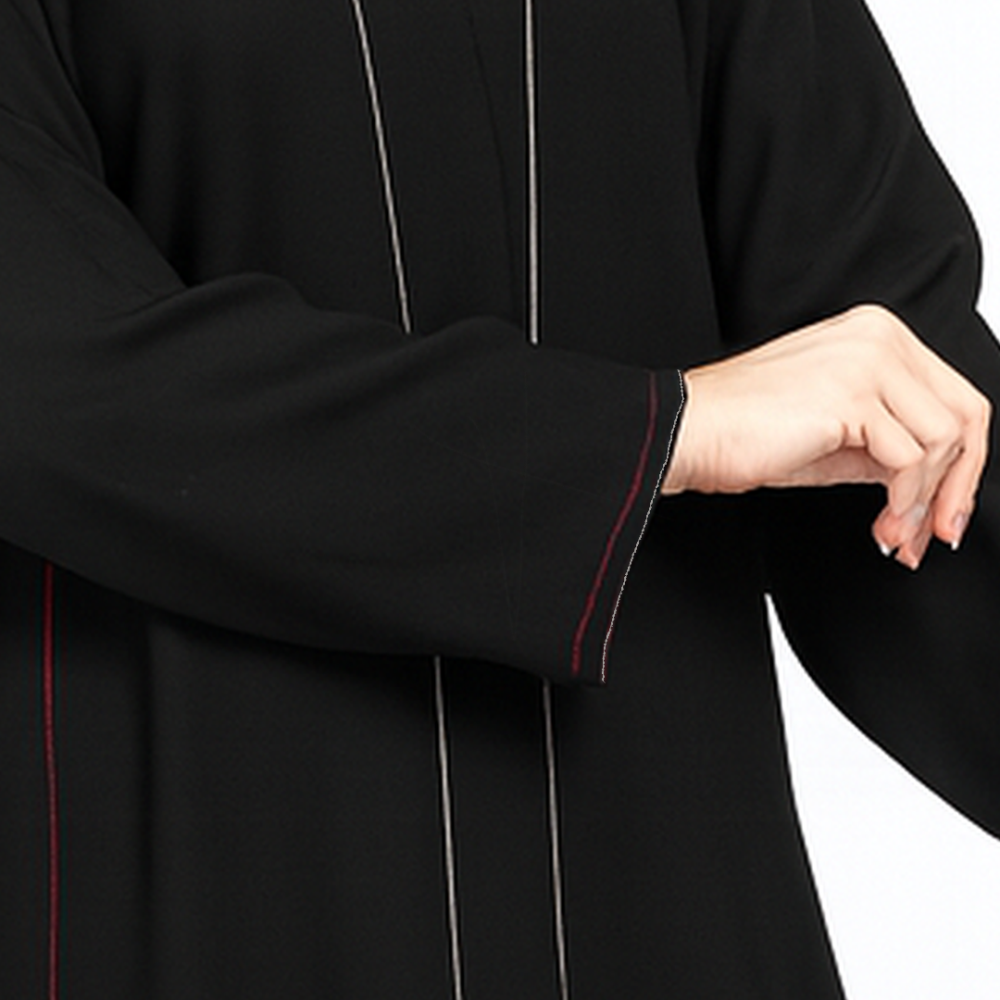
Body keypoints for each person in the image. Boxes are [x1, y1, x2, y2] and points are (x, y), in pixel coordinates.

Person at [0, 0, 996, 997]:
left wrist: (711, 433)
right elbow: (51, 377)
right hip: (224, 857)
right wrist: (660, 433)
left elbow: (901, 392)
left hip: (656, 859)